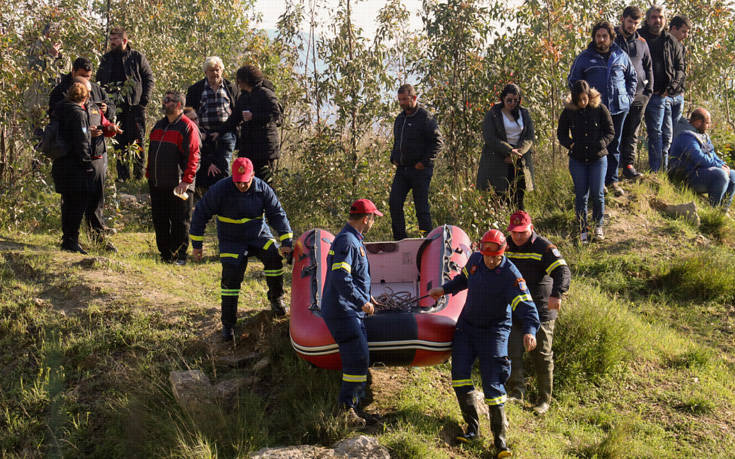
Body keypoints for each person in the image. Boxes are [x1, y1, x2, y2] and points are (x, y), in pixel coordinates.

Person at [429, 229, 539, 458]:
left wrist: (530, 331)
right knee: (459, 377)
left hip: (494, 332)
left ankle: (500, 443)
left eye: (494, 257)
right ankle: (472, 429)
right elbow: (463, 280)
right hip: (467, 328)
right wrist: (444, 290)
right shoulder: (476, 260)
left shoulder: (511, 275)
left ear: (502, 253)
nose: (489, 260)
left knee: (493, 386)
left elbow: (527, 308)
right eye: (486, 255)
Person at [190, 157, 293, 341]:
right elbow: (200, 214)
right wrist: (197, 245)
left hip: (258, 234)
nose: (242, 186)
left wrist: (286, 241)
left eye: (245, 182)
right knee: (231, 279)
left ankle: (276, 299)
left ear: (252, 175)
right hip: (232, 240)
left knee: (274, 259)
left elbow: (277, 213)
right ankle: (228, 325)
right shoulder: (220, 190)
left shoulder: (263, 189)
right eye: (238, 182)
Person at [320, 199, 384, 427]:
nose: (373, 222)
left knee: (360, 357)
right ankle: (347, 410)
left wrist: (367, 296)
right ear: (366, 219)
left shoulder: (352, 239)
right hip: (342, 310)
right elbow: (340, 278)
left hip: (349, 309)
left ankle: (354, 406)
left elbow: (352, 276)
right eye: (373, 218)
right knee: (356, 358)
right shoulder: (347, 241)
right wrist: (361, 301)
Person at [504, 211, 571, 415]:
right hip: (516, 309)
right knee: (513, 351)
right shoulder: (506, 244)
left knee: (541, 354)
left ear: (531, 228)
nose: (518, 237)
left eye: (522, 232)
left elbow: (563, 271)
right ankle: (517, 392)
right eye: (514, 232)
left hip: (541, 311)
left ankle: (544, 400)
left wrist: (557, 294)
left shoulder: (543, 247)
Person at [50, 58, 118, 250]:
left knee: (96, 200)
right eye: (81, 76)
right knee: (74, 200)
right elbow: (63, 124)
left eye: (88, 77)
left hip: (97, 153)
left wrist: (107, 113)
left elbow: (109, 109)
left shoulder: (95, 89)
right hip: (76, 157)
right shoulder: (60, 92)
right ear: (73, 73)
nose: (84, 80)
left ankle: (97, 238)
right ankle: (70, 239)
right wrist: (87, 132)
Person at [568, 20, 637, 197]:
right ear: (594, 37)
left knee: (615, 145)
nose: (601, 39)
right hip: (595, 110)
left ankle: (612, 181)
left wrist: (628, 98)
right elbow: (573, 81)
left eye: (604, 36)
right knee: (596, 146)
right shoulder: (584, 58)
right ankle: (597, 184)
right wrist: (584, 101)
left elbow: (632, 78)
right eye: (598, 36)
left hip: (619, 108)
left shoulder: (621, 55)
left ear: (611, 37)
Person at [145, 91, 200, 264]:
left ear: (178, 105)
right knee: (160, 220)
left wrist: (186, 180)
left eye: (168, 100)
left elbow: (194, 156)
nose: (164, 102)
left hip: (179, 184)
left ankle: (179, 255)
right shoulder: (159, 125)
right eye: (164, 99)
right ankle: (165, 255)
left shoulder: (187, 126)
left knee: (180, 221)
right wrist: (149, 174)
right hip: (157, 182)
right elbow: (152, 151)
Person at [557, 80, 615, 242]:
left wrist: (601, 143)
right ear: (574, 99)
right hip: (578, 159)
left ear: (589, 96)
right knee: (581, 195)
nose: (583, 102)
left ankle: (598, 226)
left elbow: (610, 131)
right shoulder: (568, 112)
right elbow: (561, 134)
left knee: (597, 193)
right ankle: (583, 228)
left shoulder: (600, 109)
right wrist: (571, 144)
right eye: (580, 99)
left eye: (585, 98)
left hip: (598, 157)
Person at [96, 26, 154, 181]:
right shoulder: (106, 59)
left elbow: (149, 78)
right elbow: (99, 82)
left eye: (115, 39)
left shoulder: (136, 57)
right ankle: (122, 176)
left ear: (124, 40)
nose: (112, 42)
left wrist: (143, 101)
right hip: (115, 108)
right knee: (119, 142)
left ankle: (138, 176)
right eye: (111, 39)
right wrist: (104, 105)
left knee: (138, 140)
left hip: (135, 106)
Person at [389, 84, 442, 240]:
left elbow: (438, 143)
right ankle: (400, 240)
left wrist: (423, 162)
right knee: (394, 203)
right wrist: (394, 157)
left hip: (420, 170)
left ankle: (427, 241)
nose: (402, 103)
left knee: (422, 208)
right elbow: (397, 142)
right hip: (402, 170)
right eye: (400, 100)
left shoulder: (426, 118)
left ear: (414, 98)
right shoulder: (400, 119)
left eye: (405, 99)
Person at [216, 64, 281, 184]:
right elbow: (234, 119)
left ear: (246, 80)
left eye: (239, 80)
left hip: (265, 149)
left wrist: (254, 116)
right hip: (248, 147)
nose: (238, 83)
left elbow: (276, 116)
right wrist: (219, 132)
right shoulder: (244, 97)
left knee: (264, 183)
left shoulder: (266, 94)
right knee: (245, 181)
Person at [639, 6, 685, 172]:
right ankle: (624, 170)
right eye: (654, 17)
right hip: (639, 94)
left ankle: (657, 173)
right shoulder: (638, 37)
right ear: (647, 19)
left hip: (660, 95)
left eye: (660, 17)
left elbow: (680, 68)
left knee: (658, 134)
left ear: (665, 20)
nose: (657, 20)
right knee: (629, 133)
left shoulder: (670, 40)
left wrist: (670, 89)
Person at [476, 84, 535, 210]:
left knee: (518, 197)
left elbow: (529, 137)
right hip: (498, 158)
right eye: (509, 100)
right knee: (499, 197)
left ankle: (520, 227)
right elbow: (490, 137)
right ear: (503, 99)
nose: (512, 103)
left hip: (519, 158)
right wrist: (509, 151)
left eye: (516, 100)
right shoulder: (494, 113)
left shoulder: (524, 113)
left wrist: (517, 153)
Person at [186, 56, 239, 196]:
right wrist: (197, 131)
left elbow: (236, 113)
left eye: (217, 70)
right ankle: (201, 193)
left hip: (226, 132)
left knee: (223, 163)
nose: (215, 73)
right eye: (211, 70)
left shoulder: (231, 88)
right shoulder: (195, 89)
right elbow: (189, 113)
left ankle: (224, 195)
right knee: (201, 162)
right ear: (205, 72)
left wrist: (223, 131)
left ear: (222, 70)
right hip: (203, 131)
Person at [51, 81, 93, 253]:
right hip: (76, 166)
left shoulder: (59, 110)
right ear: (85, 97)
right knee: (78, 204)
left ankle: (66, 239)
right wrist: (87, 165)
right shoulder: (79, 114)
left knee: (67, 203)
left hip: (60, 162)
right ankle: (72, 240)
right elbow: (82, 142)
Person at [615, 6, 654, 180]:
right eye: (630, 21)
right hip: (616, 95)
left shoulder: (642, 42)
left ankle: (628, 167)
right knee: (615, 132)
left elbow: (648, 68)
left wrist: (648, 92)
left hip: (639, 95)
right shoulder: (610, 38)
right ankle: (612, 169)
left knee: (632, 132)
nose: (632, 26)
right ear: (623, 19)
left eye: (636, 23)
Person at [669, 108, 735, 208]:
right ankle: (713, 210)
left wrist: (723, 165)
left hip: (701, 172)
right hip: (687, 177)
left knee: (733, 174)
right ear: (698, 122)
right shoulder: (685, 136)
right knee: (720, 175)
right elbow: (699, 158)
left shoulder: (703, 135)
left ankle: (721, 212)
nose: (709, 126)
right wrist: (719, 168)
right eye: (707, 123)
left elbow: (712, 155)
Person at [668, 15, 691, 133]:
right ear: (673, 28)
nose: (685, 36)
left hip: (678, 95)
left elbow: (681, 70)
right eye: (683, 32)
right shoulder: (662, 44)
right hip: (665, 95)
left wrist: (681, 91)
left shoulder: (681, 47)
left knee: (674, 131)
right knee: (663, 132)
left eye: (687, 32)